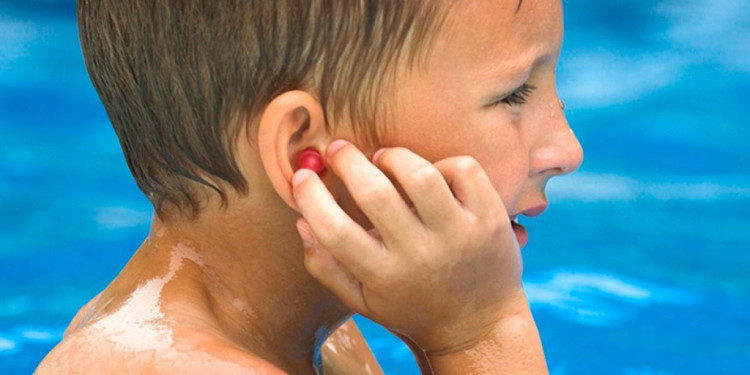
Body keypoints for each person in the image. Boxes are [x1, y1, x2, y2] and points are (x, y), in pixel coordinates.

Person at [36, 0, 582, 373]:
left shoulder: (321, 334)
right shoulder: (161, 367)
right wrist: (477, 336)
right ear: (305, 152)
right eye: (512, 95)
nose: (567, 150)